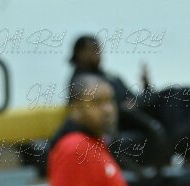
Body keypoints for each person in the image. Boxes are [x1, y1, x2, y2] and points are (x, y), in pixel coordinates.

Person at [67, 35, 171, 169]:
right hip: (122, 123)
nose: (98, 54)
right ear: (80, 53)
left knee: (175, 94)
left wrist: (146, 86)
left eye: (99, 49)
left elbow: (132, 97)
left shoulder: (110, 77)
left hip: (134, 114)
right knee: (154, 128)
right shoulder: (81, 83)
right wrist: (124, 108)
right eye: (93, 50)